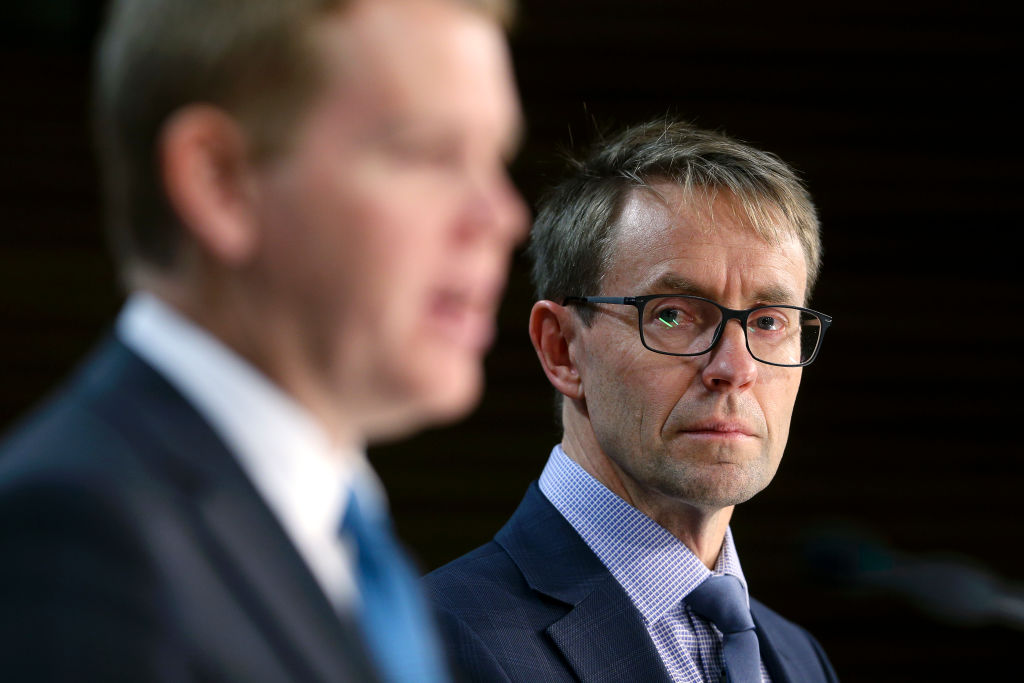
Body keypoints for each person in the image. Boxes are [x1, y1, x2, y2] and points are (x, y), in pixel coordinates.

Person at [0, 0, 526, 680]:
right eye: (427, 153)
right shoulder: (77, 541)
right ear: (219, 182)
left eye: (495, 157)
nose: (503, 217)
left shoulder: (349, 540)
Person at [424, 119, 839, 682]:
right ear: (563, 349)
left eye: (768, 322)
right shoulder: (436, 641)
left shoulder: (797, 658)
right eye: (672, 314)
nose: (735, 369)